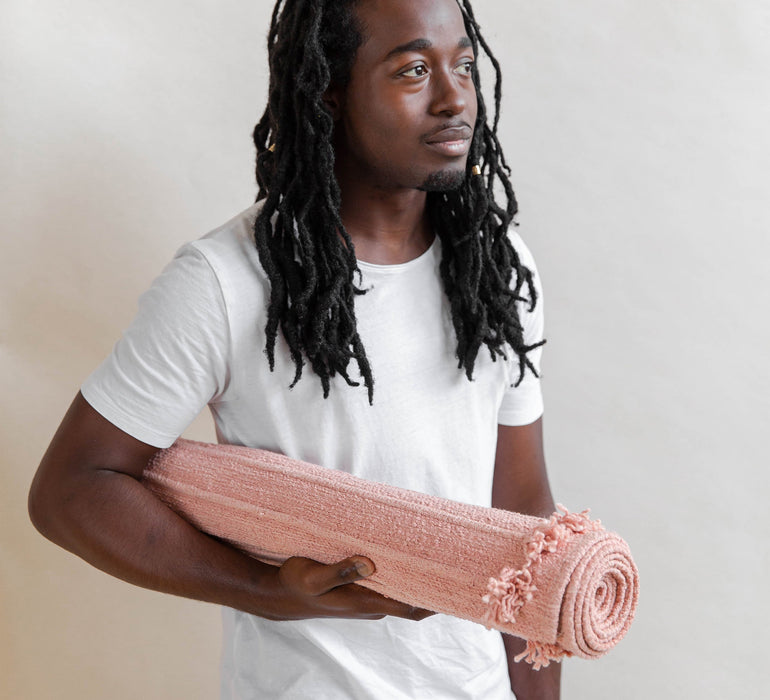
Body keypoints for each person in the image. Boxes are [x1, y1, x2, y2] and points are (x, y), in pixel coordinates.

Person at [28, 0, 561, 697]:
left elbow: (522, 518)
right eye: (412, 70)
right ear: (328, 93)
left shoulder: (493, 270)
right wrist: (266, 588)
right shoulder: (226, 281)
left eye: (462, 64)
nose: (455, 95)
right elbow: (72, 489)